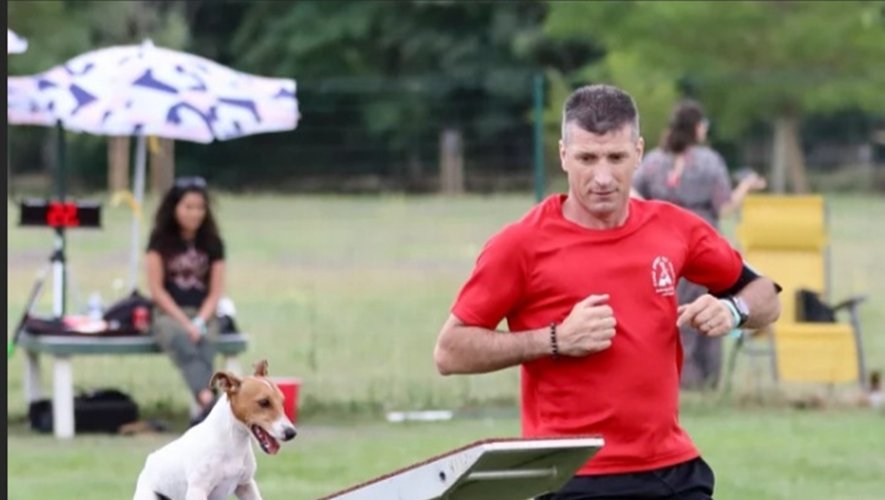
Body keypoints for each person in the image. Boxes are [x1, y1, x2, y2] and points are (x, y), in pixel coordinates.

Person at [433, 84, 781, 499]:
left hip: (672, 470)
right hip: (571, 476)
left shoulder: (675, 228)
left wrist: (733, 311)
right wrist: (554, 339)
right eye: (587, 159)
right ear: (564, 155)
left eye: (615, 158)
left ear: (639, 152)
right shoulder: (521, 244)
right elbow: (449, 352)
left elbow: (766, 294)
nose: (602, 177)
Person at [632, 100, 767, 390]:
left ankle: (673, 377)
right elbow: (725, 206)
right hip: (701, 245)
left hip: (660, 247)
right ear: (696, 128)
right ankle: (704, 381)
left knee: (667, 311)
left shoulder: (653, 161)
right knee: (705, 312)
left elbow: (631, 191)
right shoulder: (709, 161)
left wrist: (650, 215)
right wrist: (747, 186)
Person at [146, 176, 225, 424]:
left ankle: (207, 407)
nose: (195, 214)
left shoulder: (213, 243)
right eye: (188, 207)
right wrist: (185, 322)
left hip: (204, 312)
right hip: (170, 313)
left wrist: (200, 321)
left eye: (200, 207)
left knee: (207, 342)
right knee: (180, 339)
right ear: (174, 208)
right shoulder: (159, 242)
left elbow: (216, 291)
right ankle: (209, 401)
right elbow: (157, 290)